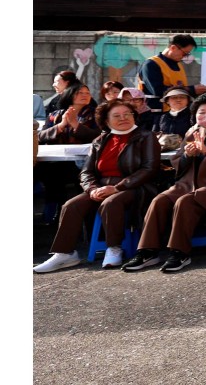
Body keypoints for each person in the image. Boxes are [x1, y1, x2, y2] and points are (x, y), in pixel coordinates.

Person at [34, 98, 162, 272]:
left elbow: (149, 169)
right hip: (100, 187)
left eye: (127, 114)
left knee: (111, 202)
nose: (123, 118)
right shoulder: (100, 140)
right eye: (116, 115)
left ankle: (114, 248)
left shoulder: (146, 136)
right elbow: (86, 172)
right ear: (106, 120)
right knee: (71, 205)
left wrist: (117, 188)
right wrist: (92, 189)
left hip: (134, 187)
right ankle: (64, 254)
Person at [126, 93, 206, 273]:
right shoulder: (192, 132)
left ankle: (179, 252)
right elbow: (178, 163)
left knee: (185, 202)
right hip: (188, 184)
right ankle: (147, 251)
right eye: (201, 112)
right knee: (160, 200)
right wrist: (187, 155)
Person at [36, 82, 101, 209]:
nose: (85, 95)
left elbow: (98, 137)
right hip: (56, 161)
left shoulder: (96, 115)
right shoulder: (55, 115)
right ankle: (54, 211)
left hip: (85, 161)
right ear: (69, 95)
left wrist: (76, 125)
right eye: (80, 93)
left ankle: (78, 210)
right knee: (49, 175)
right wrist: (61, 126)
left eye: (87, 93)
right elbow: (40, 137)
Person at [138, 34, 206, 109]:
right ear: (173, 48)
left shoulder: (179, 65)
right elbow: (158, 90)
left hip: (175, 111)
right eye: (184, 53)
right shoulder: (151, 64)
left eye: (187, 54)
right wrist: (191, 89)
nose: (184, 57)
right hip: (155, 112)